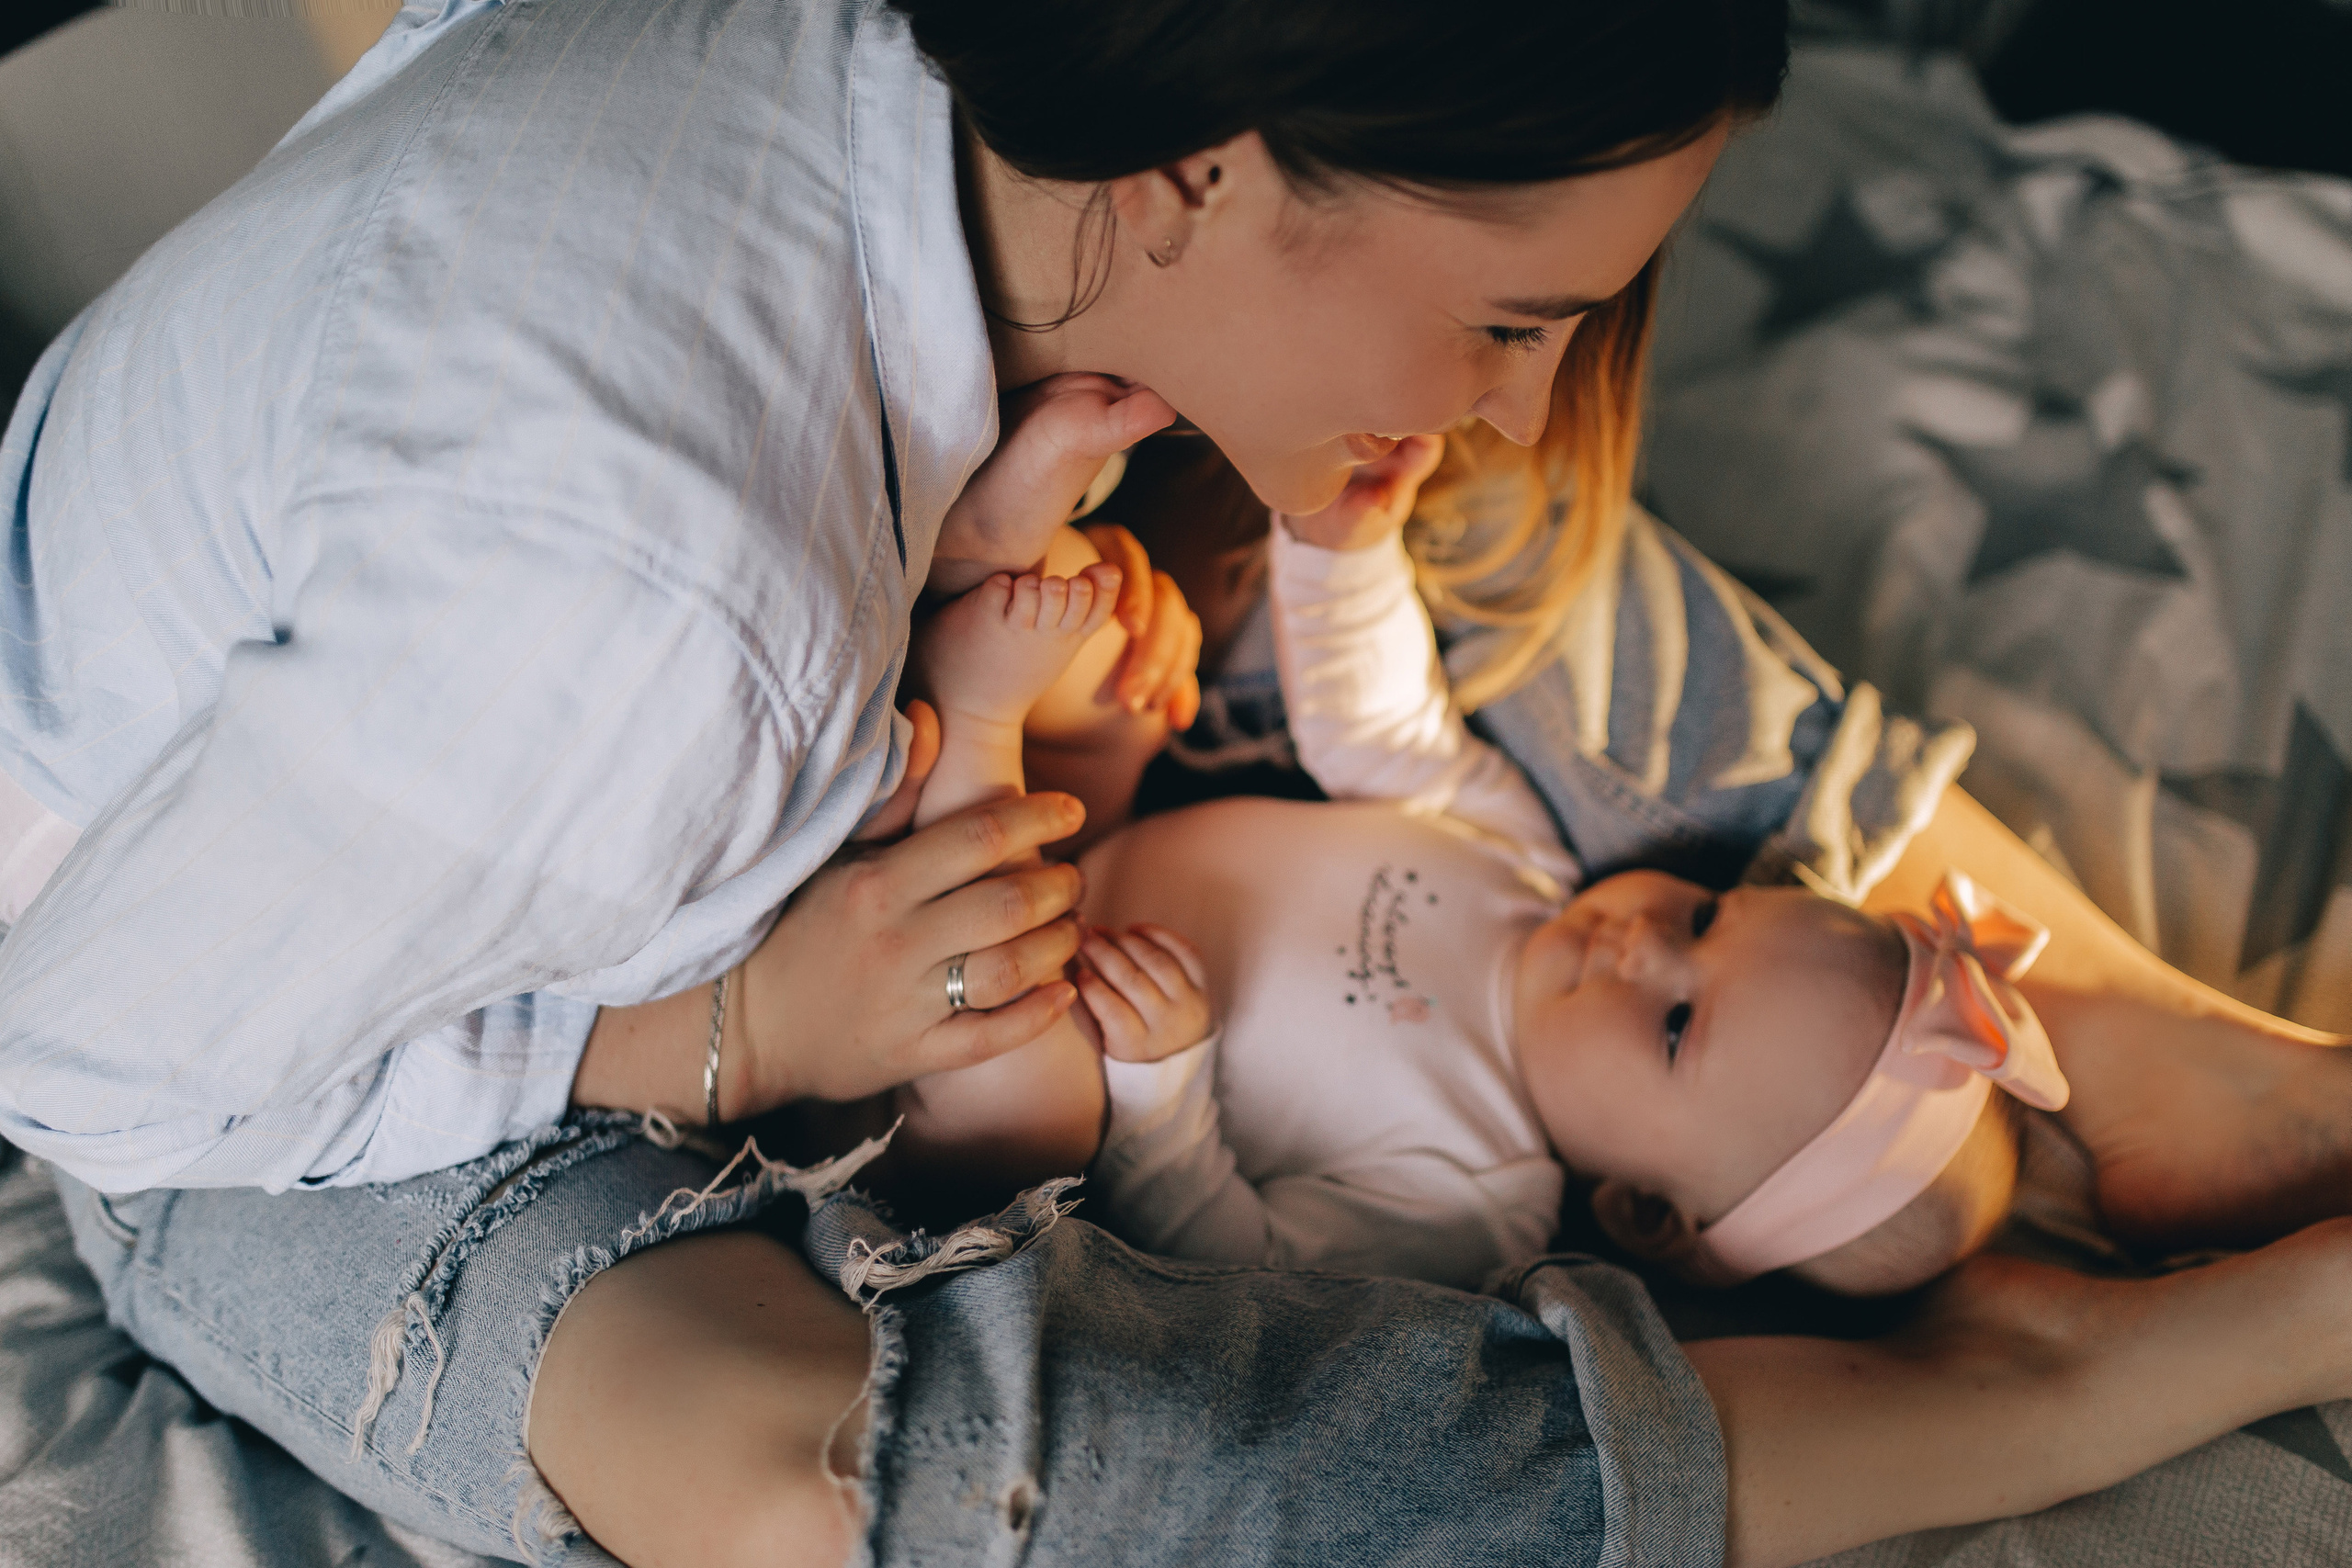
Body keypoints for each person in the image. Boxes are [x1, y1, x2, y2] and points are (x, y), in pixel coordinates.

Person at [5, 3, 2352, 1567]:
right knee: (919, 1475)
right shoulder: (654, 620)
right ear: (1209, 163)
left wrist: (1056, 626)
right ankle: (2025, 1381)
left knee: (1448, 523)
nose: (1530, 387)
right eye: (1513, 313)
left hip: (597, 780)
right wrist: (724, 1040)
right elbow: (86, 1058)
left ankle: (2078, 1020)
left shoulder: (913, 96)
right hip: (286, 1078)